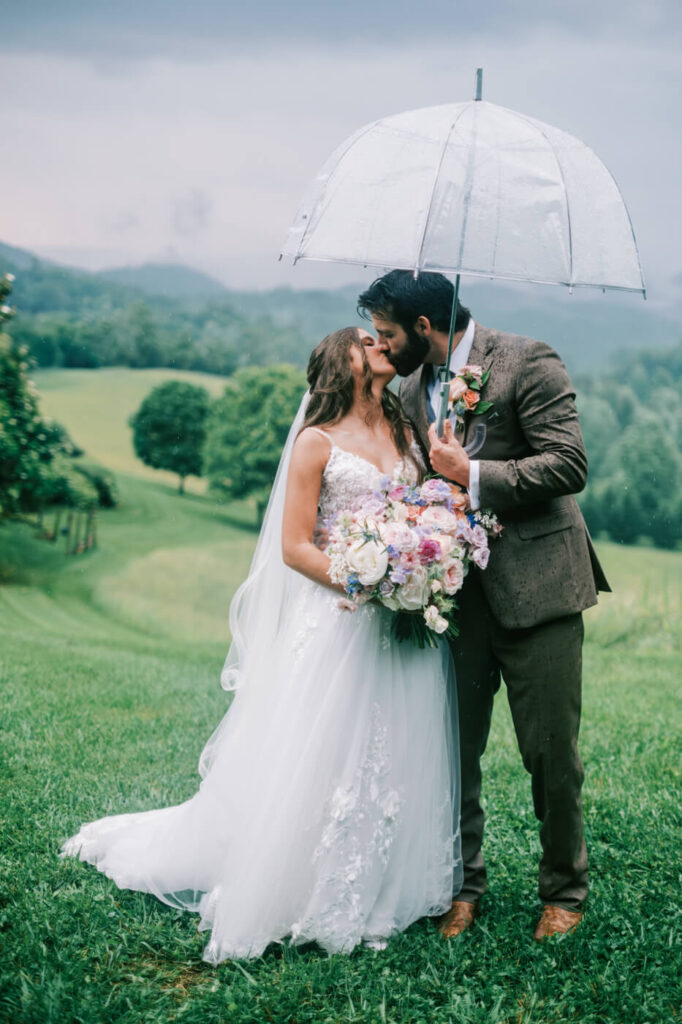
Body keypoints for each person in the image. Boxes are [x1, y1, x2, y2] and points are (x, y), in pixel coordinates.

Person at [61, 327, 461, 963]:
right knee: (317, 753)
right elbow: (295, 547)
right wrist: (369, 579)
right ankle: (291, 883)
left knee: (390, 753)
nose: (380, 341)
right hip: (340, 618)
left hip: (399, 625)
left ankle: (379, 888)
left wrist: (426, 551)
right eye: (365, 339)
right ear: (342, 362)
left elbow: (417, 516)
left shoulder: (408, 432)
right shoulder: (315, 443)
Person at [358, 270, 610, 941]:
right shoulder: (409, 389)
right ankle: (462, 885)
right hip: (453, 597)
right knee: (453, 751)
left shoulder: (528, 361)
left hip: (540, 590)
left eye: (387, 333)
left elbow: (568, 464)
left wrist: (470, 475)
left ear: (421, 327)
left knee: (551, 753)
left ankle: (564, 890)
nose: (380, 345)